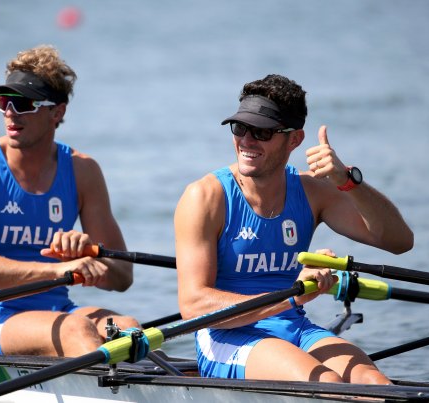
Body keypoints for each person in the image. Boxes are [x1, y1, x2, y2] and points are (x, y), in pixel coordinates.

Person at [174, 74, 414, 383]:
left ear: (294, 139)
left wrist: (348, 182)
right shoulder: (205, 197)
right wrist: (291, 295)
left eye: (261, 132)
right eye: (239, 128)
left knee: (375, 383)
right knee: (328, 384)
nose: (246, 141)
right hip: (225, 336)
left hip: (294, 326)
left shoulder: (312, 191)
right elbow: (193, 305)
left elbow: (399, 241)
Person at [0, 45, 138, 357]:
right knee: (76, 330)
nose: (9, 112)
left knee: (129, 328)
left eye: (23, 103)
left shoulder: (82, 170)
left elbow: (123, 276)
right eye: (4, 101)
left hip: (57, 309)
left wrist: (89, 256)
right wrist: (56, 272)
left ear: (56, 112)